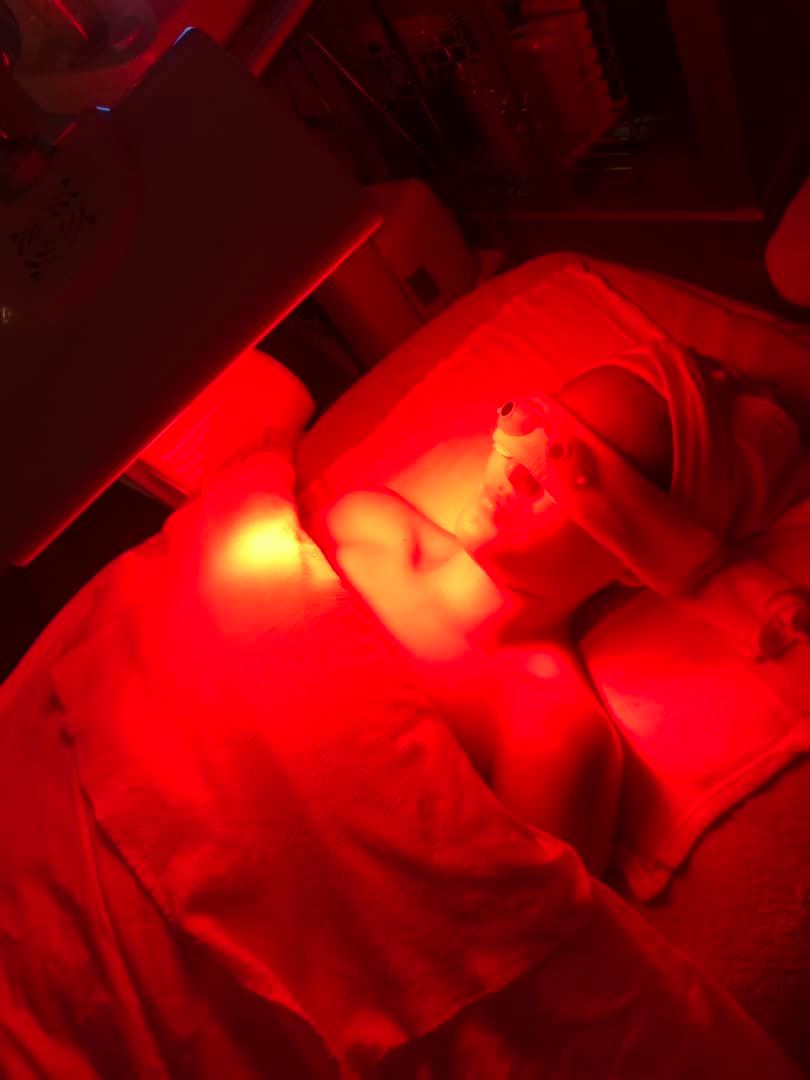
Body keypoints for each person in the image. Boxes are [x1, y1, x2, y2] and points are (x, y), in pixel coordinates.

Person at [314, 364, 675, 877]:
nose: (518, 475)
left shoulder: (551, 734)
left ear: (636, 561)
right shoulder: (364, 520)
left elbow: (520, 916)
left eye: (579, 475)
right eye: (534, 431)